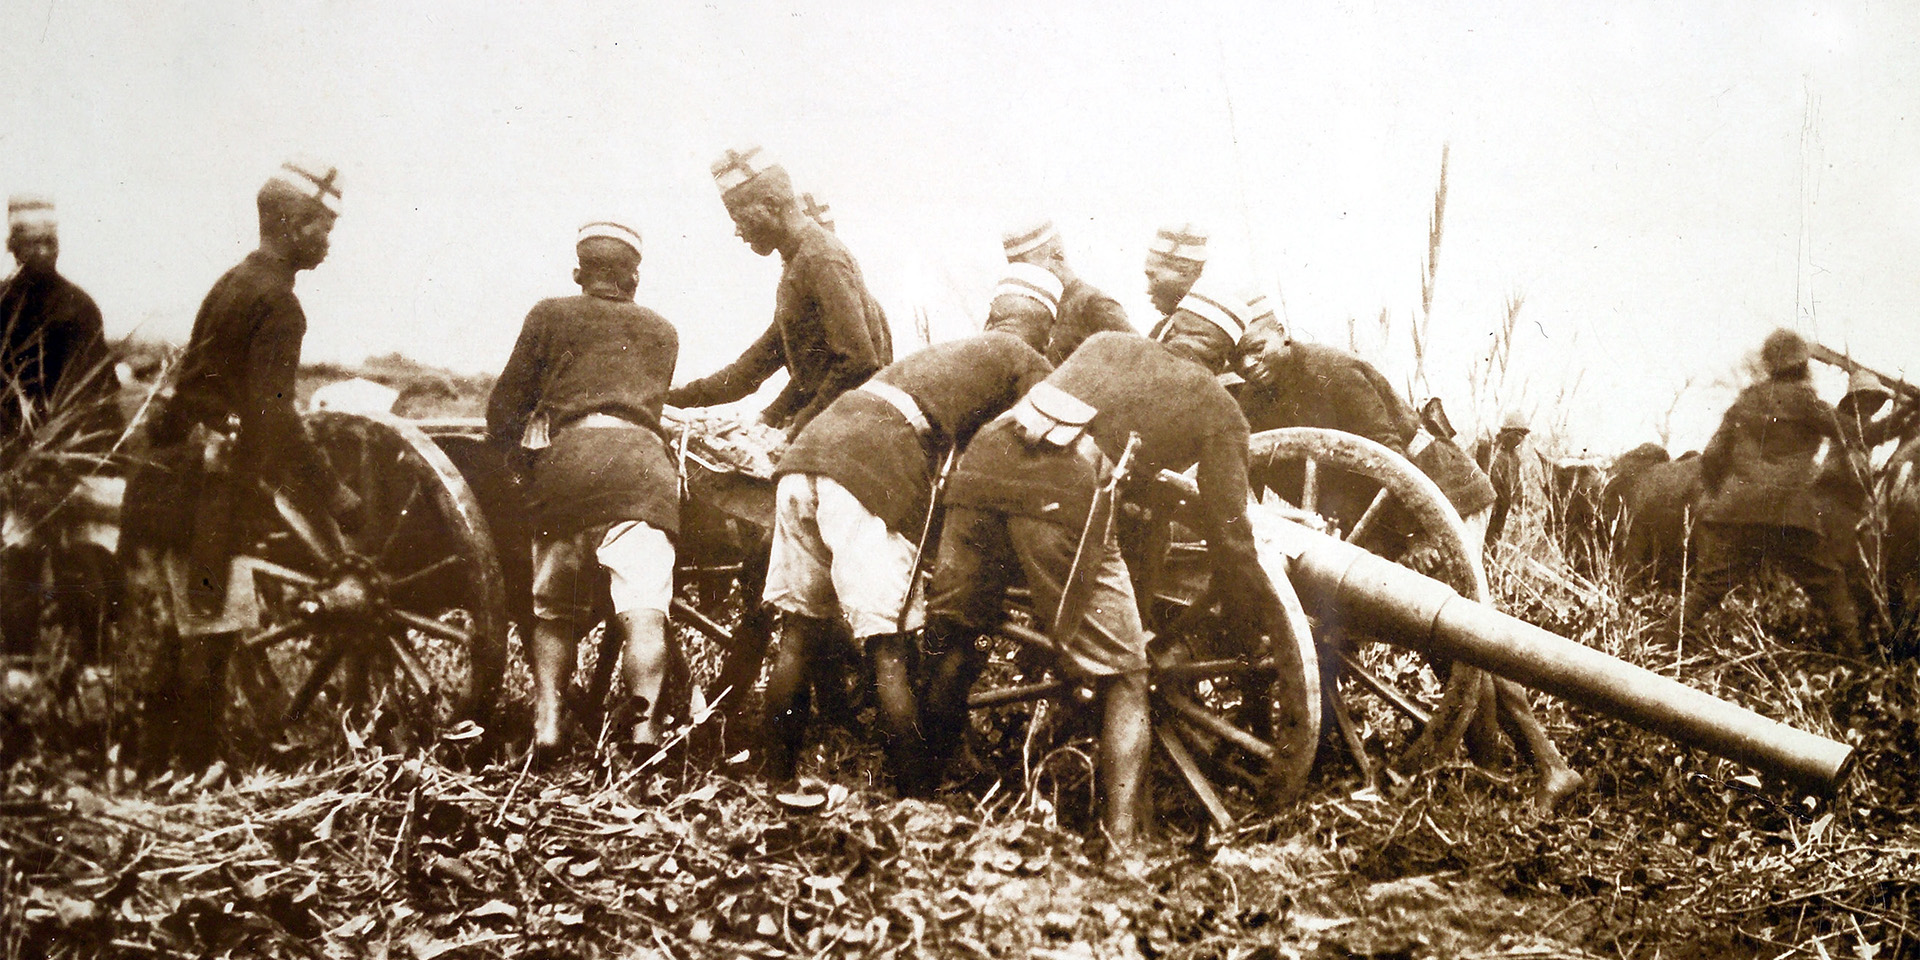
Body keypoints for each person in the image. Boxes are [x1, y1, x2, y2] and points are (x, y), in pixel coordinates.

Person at [921, 283, 1281, 846]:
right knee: (1128, 678)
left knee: (956, 632)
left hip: (982, 467)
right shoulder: (1218, 406)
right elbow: (1229, 536)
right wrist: (1245, 623)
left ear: (1172, 326)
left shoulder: (1104, 343)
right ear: (1227, 356)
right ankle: (1123, 844)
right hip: (1061, 492)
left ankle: (915, 806)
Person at [1233, 305, 1579, 808]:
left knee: (1464, 631)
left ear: (1282, 333)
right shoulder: (1253, 400)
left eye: (1256, 349)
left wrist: (1423, 540)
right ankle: (1495, 765)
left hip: (1442, 499)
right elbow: (1250, 468)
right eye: (1237, 358)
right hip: (1383, 519)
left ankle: (1542, 767)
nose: (1248, 364)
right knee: (1440, 635)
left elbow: (1389, 458)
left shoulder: (1334, 371)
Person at [124, 158, 359, 772]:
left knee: (190, 626)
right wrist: (335, 493)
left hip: (178, 475)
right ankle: (196, 768)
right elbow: (274, 413)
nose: (328, 241)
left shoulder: (234, 282)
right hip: (209, 492)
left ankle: (158, 767)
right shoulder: (279, 305)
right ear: (290, 223)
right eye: (322, 227)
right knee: (211, 626)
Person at [759, 307, 1052, 792]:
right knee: (889, 651)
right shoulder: (1027, 360)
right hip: (865, 469)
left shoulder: (949, 355)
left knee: (797, 635)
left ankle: (776, 781)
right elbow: (1027, 454)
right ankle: (915, 804)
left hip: (805, 456)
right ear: (1046, 327)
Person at [486, 221, 683, 759]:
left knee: (554, 614)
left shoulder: (549, 314)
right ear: (634, 277)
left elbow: (505, 406)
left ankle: (549, 725)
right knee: (646, 612)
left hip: (569, 469)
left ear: (579, 274)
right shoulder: (663, 331)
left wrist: (514, 466)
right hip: (643, 471)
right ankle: (643, 732)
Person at [666, 147, 892, 440]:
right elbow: (749, 371)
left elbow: (859, 362)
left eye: (738, 217)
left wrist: (794, 430)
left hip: (856, 436)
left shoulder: (821, 259)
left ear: (770, 205)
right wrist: (669, 398)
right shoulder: (799, 265)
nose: (737, 231)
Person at [1675, 328, 1861, 655]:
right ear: (1802, 364)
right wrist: (1906, 415)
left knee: (1708, 588)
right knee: (1829, 585)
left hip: (1737, 511)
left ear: (1768, 364)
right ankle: (1860, 657)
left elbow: (1713, 456)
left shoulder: (1745, 401)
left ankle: (1667, 642)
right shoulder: (1807, 402)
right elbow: (1858, 434)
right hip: (1790, 515)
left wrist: (1727, 495)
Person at [0, 194, 122, 660]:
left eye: (50, 242)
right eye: (32, 243)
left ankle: (91, 667)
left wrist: (75, 460)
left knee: (83, 563)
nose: (43, 251)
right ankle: (22, 668)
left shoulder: (78, 307)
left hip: (76, 461)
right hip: (17, 464)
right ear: (12, 246)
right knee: (20, 561)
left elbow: (98, 392)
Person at [1001, 219, 1132, 365]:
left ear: (1057, 255)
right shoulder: (1039, 309)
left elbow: (1138, 359)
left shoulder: (1093, 304)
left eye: (1027, 268)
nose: (1022, 276)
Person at [1142, 223, 1208, 322]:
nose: (1148, 290)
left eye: (1153, 276)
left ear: (1184, 272)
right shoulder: (1169, 324)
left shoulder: (1194, 325)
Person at [1485, 411, 1530, 548]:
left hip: (1503, 507)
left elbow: (1516, 485)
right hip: (1488, 506)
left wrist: (1520, 504)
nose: (1520, 438)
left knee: (1494, 541)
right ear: (1507, 432)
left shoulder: (1514, 458)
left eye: (1522, 435)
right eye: (1517, 434)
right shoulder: (1492, 451)